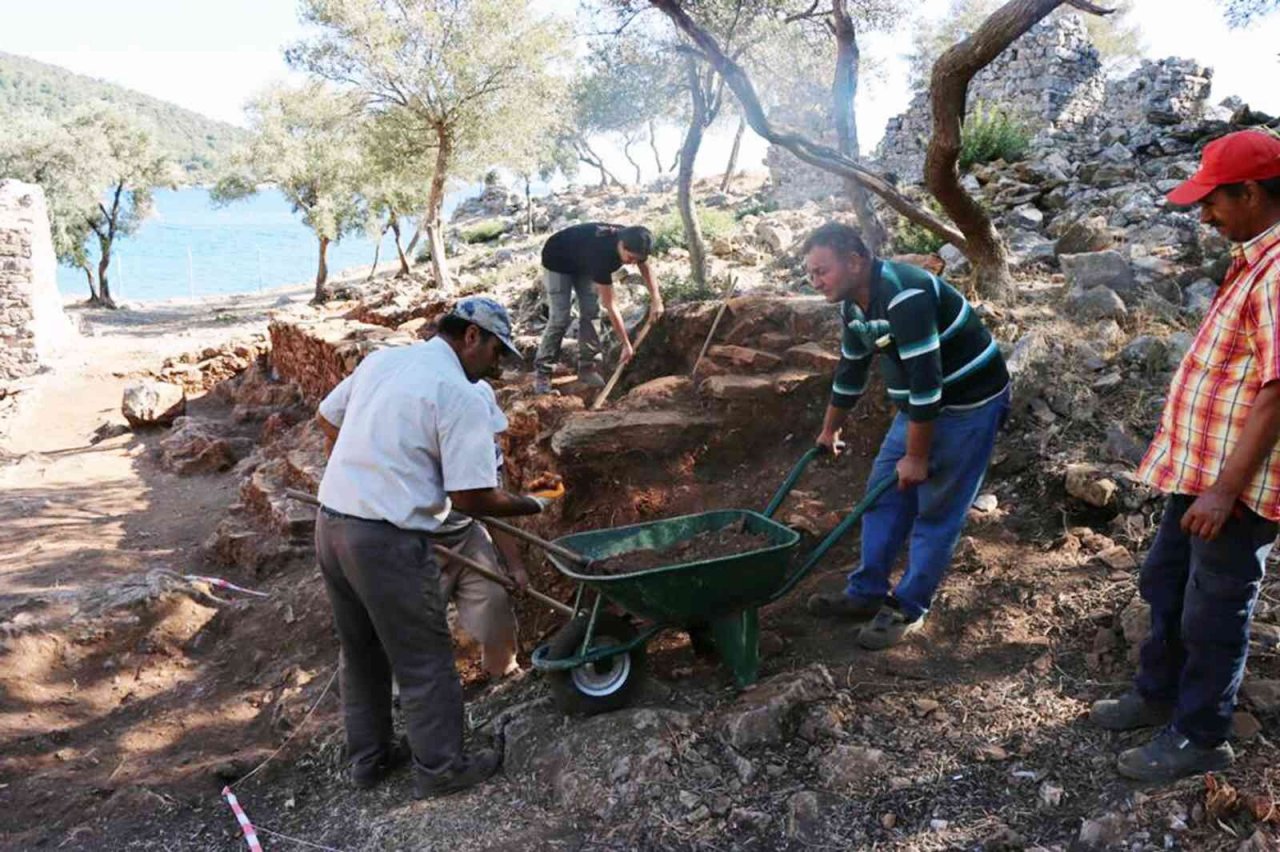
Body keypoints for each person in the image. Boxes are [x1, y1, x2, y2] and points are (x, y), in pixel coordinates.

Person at [1090, 130, 1280, 783]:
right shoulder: (1255, 256)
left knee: (1214, 608)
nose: (1204, 215)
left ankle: (1201, 734)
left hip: (1239, 486)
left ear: (1251, 192)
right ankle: (1157, 693)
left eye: (1214, 202)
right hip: (1203, 474)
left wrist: (1226, 489)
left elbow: (1278, 391)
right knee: (1166, 583)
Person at [313, 296, 558, 799]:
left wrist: (368, 468)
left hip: (332, 524)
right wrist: (534, 505)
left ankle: (370, 760)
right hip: (386, 540)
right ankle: (442, 769)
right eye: (496, 351)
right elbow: (470, 498)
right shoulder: (459, 393)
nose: (497, 364)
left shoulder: (386, 360)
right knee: (424, 660)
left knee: (361, 654)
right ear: (472, 336)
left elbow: (327, 417)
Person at [803, 222, 1010, 649]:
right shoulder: (854, 307)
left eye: (822, 270)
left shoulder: (905, 294)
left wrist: (916, 458)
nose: (815, 280)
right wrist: (829, 429)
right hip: (920, 406)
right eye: (810, 273)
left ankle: (909, 606)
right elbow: (851, 371)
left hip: (969, 403)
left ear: (856, 261)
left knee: (936, 508)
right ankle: (866, 591)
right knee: (882, 495)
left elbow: (926, 384)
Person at [534, 222, 663, 394]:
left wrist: (657, 299)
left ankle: (587, 368)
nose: (633, 264)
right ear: (621, 245)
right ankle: (543, 373)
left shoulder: (636, 239)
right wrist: (625, 343)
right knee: (560, 318)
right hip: (557, 260)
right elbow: (611, 305)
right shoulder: (602, 255)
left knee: (591, 313)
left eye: (636, 260)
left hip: (584, 262)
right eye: (630, 258)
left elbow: (645, 267)